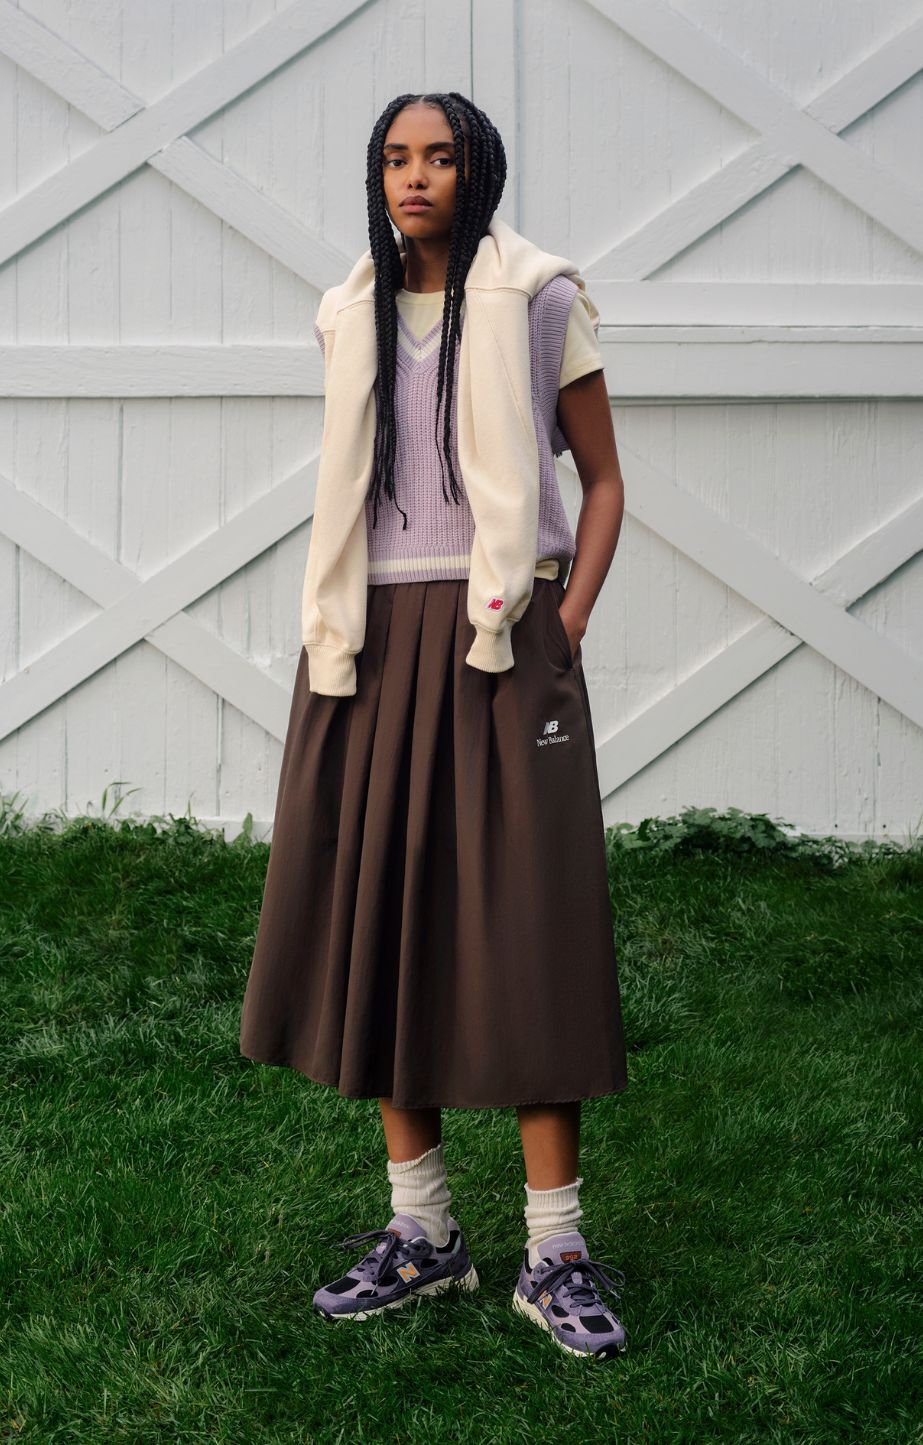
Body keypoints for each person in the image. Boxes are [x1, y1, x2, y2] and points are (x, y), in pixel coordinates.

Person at [239, 90, 630, 1361]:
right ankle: (424, 1232)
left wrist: (560, 618)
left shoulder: (545, 299)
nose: (416, 177)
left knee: (530, 920)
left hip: (501, 633)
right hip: (368, 648)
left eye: (439, 156)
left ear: (478, 169)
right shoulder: (344, 310)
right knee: (380, 915)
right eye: (395, 158)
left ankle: (555, 1248)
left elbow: (604, 477)